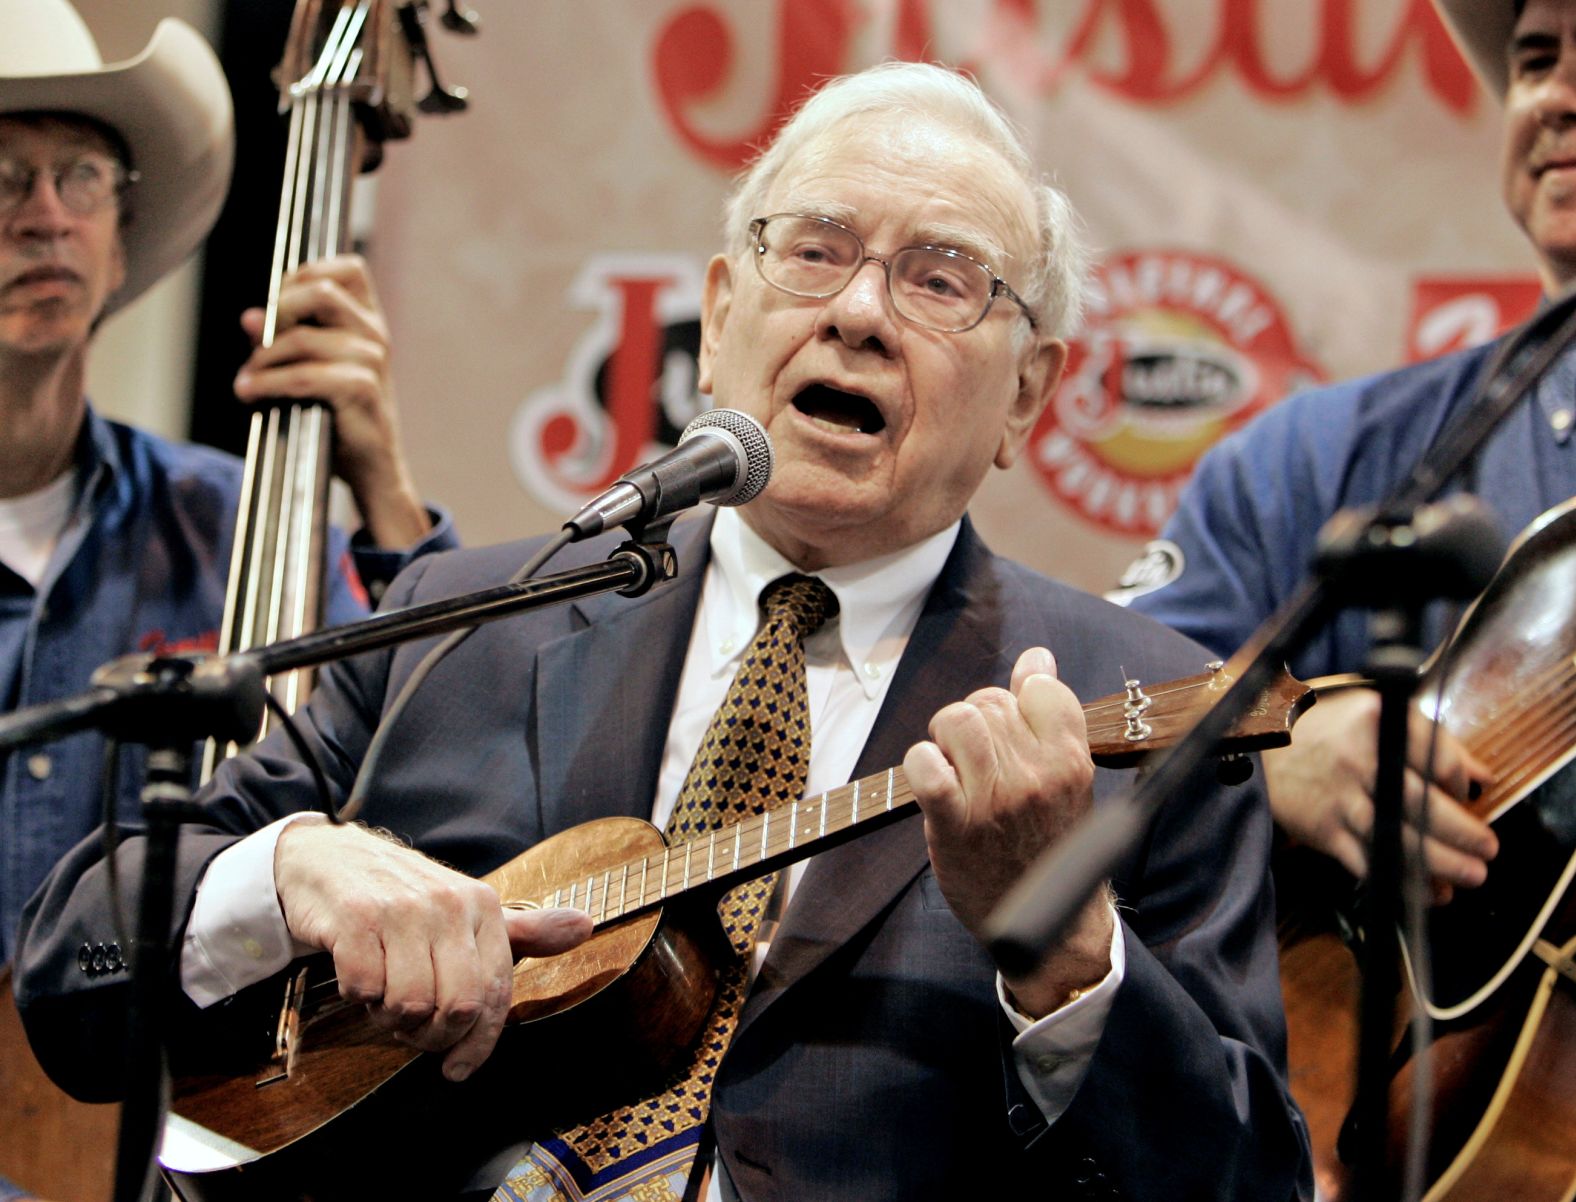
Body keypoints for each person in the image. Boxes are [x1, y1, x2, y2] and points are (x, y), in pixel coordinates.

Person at [15, 62, 1311, 1201]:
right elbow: (74, 968)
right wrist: (292, 872)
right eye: (814, 249)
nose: (858, 311)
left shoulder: (1140, 702)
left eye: (940, 278)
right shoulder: (463, 629)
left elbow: (1240, 1177)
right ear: (720, 308)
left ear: (1031, 390)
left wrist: (1066, 953)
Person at [1117, 0, 1576, 904]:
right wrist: (1265, 758)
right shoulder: (1309, 460)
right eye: (1533, 61)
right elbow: (1109, 703)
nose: (1553, 99)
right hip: (1422, 1038)